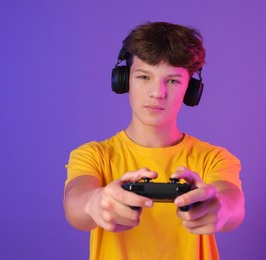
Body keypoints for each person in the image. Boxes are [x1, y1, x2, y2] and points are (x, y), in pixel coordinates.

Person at [64, 21, 245, 260]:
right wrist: (94, 203)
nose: (157, 92)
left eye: (172, 80)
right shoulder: (93, 155)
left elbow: (233, 204)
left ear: (191, 89)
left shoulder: (214, 158)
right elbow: (75, 203)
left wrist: (219, 209)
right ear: (124, 80)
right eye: (143, 76)